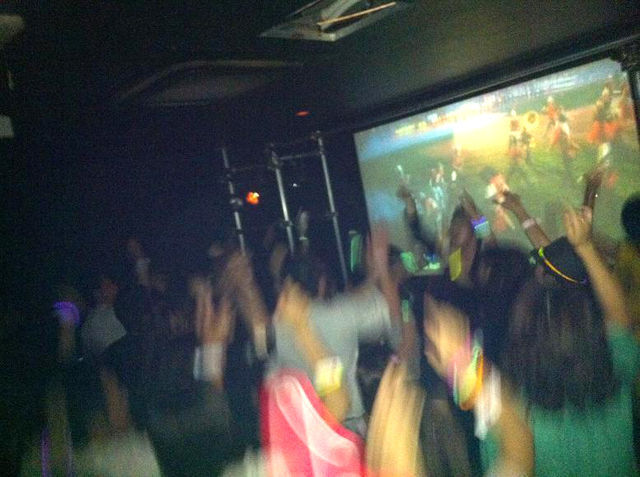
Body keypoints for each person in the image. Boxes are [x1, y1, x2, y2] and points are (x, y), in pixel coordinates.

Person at [270, 226, 401, 436]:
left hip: (306, 427)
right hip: (346, 421)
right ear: (322, 282)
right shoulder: (339, 314)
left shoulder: (279, 326)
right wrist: (381, 268)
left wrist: (373, 275)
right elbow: (391, 312)